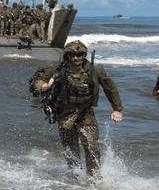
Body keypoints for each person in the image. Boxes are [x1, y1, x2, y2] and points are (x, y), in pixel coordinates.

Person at [39, 40, 123, 177]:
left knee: (91, 146)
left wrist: (117, 109)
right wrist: (44, 86)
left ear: (84, 55)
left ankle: (94, 178)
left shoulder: (95, 70)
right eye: (72, 55)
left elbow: (110, 88)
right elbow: (38, 79)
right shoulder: (58, 70)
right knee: (70, 149)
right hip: (64, 115)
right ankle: (75, 176)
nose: (76, 58)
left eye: (79, 54)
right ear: (67, 56)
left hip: (86, 114)